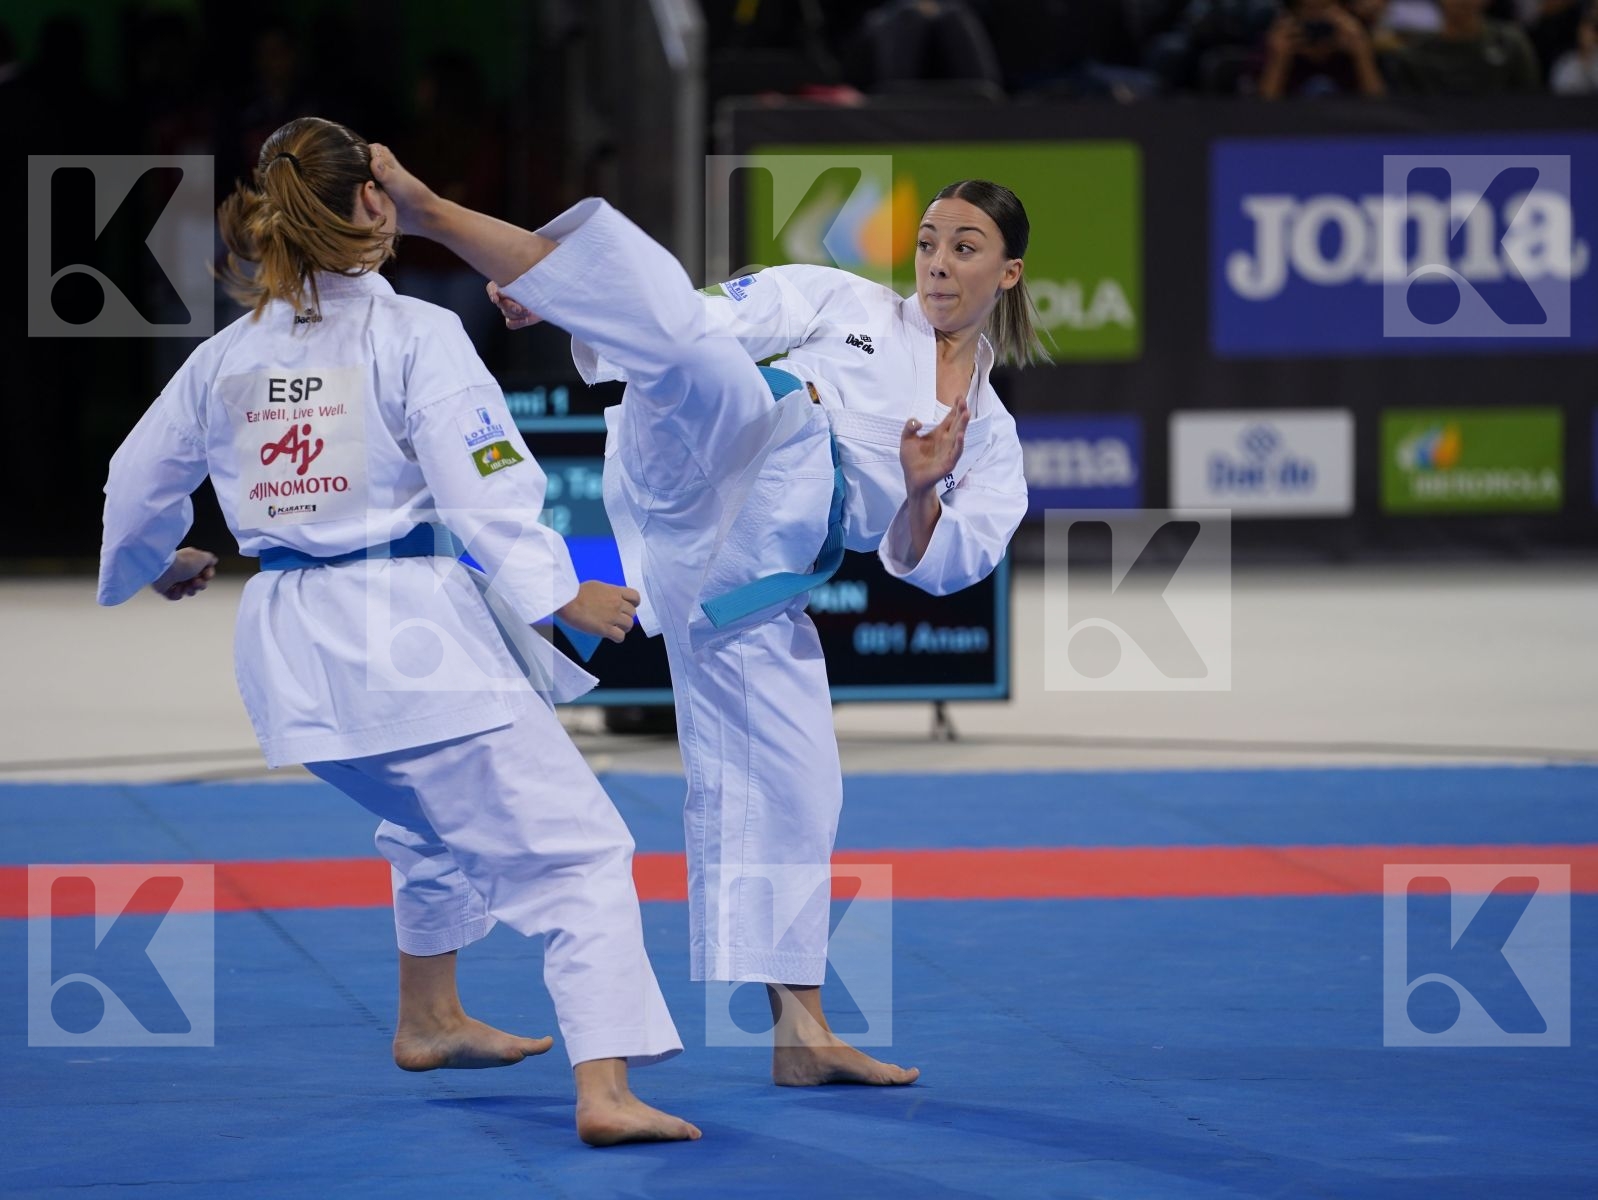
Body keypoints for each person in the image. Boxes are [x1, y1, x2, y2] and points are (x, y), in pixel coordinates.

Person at [369, 145, 1036, 1087]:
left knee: (800, 789)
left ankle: (799, 1034)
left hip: (751, 580)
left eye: (965, 247)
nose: (937, 262)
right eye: (928, 241)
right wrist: (569, 298)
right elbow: (707, 317)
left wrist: (922, 492)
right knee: (687, 341)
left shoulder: (992, 435)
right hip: (710, 458)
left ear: (1007, 272)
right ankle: (434, 210)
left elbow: (947, 564)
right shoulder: (841, 301)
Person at [96, 116, 698, 1147]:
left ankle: (428, 1019)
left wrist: (154, 559)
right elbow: (487, 487)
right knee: (581, 853)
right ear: (374, 203)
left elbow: (131, 485)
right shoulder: (414, 333)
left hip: (286, 646)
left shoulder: (224, 359)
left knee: (426, 816)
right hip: (404, 641)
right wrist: (562, 595)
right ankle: (606, 1091)